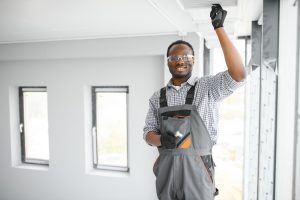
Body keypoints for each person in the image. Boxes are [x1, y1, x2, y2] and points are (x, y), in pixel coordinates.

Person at [143, 4, 246, 200]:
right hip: (166, 169)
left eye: (186, 56)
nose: (180, 60)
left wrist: (219, 28)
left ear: (194, 60)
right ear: (168, 62)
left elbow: (239, 75)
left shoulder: (207, 87)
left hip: (198, 169)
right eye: (174, 57)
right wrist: (162, 140)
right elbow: (148, 134)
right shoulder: (157, 97)